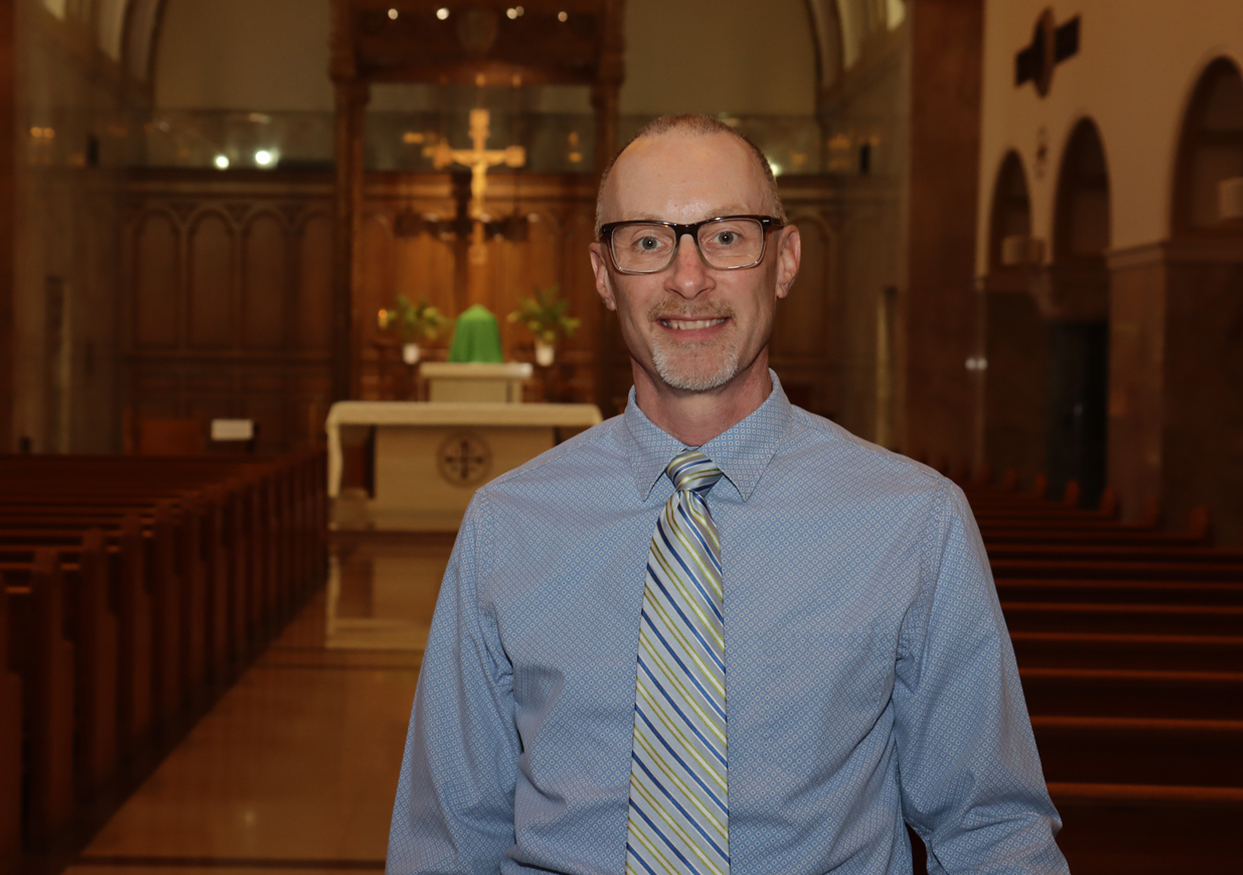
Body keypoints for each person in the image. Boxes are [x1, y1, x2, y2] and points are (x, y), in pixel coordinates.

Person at [387, 114, 1068, 875]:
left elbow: (989, 829)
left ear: (784, 259)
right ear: (602, 272)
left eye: (727, 236)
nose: (688, 278)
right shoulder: (506, 526)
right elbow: (446, 835)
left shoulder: (913, 522)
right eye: (647, 240)